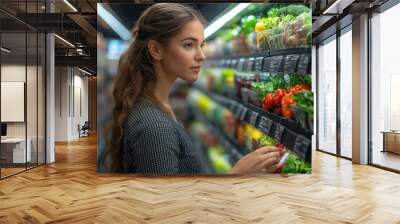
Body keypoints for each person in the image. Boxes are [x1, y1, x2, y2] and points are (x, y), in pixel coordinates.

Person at [106, 3, 285, 174]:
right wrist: (237, 174)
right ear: (156, 50)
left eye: (202, 45)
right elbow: (166, 204)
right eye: (188, 45)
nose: (201, 55)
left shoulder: (156, 105)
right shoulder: (155, 128)